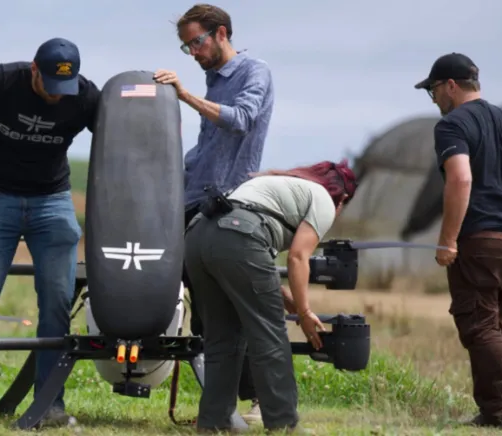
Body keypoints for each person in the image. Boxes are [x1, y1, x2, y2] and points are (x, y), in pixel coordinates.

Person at [0, 37, 101, 427]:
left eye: (66, 88)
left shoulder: (86, 95)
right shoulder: (0, 82)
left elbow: (118, 140)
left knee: (58, 300)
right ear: (33, 70)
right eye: (49, 87)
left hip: (52, 200)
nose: (58, 97)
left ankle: (50, 403)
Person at [414, 52, 502, 431]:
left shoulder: (452, 126)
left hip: (478, 239)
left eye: (433, 91)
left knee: (477, 325)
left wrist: (448, 240)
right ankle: (496, 412)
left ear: (451, 86)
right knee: (492, 323)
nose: (434, 100)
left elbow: (460, 180)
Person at [153, 3, 275, 422]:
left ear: (222, 33)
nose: (193, 52)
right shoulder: (211, 78)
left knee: (241, 308)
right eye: (186, 47)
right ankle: (225, 407)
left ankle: (261, 400)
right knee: (207, 312)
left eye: (196, 42)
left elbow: (240, 121)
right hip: (193, 203)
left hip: (231, 205)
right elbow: (206, 149)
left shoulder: (254, 72)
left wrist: (185, 96)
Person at [183, 159, 357, 433]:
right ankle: (284, 422)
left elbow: (247, 264)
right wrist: (304, 313)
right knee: (269, 334)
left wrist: (291, 301)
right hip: (238, 235)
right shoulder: (323, 199)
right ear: (343, 197)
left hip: (197, 235)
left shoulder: (278, 186)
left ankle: (215, 421)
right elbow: (298, 257)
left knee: (221, 335)